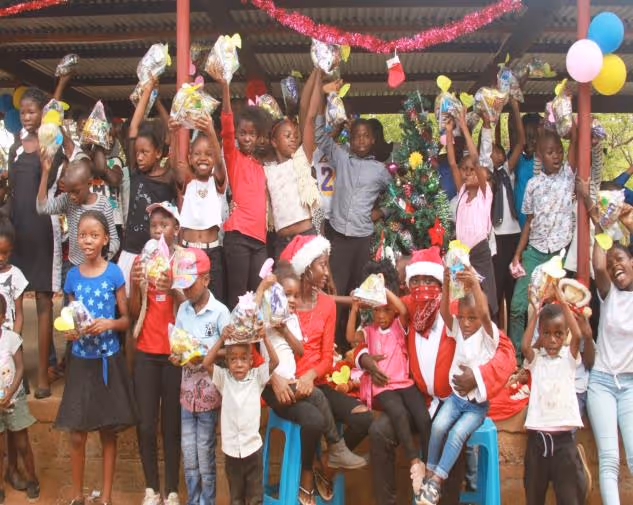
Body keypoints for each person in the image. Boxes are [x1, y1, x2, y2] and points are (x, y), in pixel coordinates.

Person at [357, 247, 517, 505]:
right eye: (416, 281)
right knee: (379, 432)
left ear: (441, 283)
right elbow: (369, 329)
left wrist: (477, 376)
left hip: (452, 399)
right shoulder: (408, 307)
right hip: (415, 400)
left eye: (429, 280)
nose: (422, 287)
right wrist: (364, 357)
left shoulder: (460, 311)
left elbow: (505, 349)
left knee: (449, 435)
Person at [269, 235, 372, 505]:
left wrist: (311, 375)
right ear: (306, 268)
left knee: (364, 419)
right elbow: (259, 343)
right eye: (322, 265)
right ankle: (306, 475)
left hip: (316, 383)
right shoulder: (282, 300)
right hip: (283, 384)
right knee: (313, 419)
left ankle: (325, 466)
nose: (327, 272)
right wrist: (274, 378)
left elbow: (327, 358)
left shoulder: (327, 304)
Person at [55, 210, 136, 505]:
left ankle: (106, 497)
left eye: (93, 235)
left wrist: (108, 324)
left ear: (105, 239)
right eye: (82, 235)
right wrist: (71, 332)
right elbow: (70, 318)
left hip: (108, 361)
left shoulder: (114, 273)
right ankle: (77, 495)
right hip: (80, 362)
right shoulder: (72, 276)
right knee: (77, 433)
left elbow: (126, 320)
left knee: (107, 430)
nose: (87, 240)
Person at [6, 81, 72, 398]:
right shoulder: (15, 149)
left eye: (32, 112)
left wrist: (61, 86)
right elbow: (12, 192)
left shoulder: (51, 145)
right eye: (23, 112)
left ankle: (43, 377)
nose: (27, 117)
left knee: (45, 300)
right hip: (17, 232)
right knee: (14, 301)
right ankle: (15, 372)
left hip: (43, 230)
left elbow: (65, 164)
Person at [315, 91, 391, 351]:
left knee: (359, 292)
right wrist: (327, 110)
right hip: (338, 236)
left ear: (372, 140)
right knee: (335, 292)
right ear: (351, 137)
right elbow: (320, 138)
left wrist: (381, 212)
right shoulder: (341, 157)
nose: (360, 140)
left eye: (365, 136)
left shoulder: (380, 170)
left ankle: (356, 347)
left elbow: (398, 197)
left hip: (362, 239)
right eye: (356, 135)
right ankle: (333, 346)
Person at [418, 266, 499, 505]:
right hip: (455, 399)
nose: (465, 323)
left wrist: (474, 284)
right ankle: (430, 473)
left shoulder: (488, 336)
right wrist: (445, 285)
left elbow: (484, 314)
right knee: (438, 427)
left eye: (471, 318)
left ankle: (437, 481)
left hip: (476, 406)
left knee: (456, 434)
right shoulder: (459, 331)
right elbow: (445, 314)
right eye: (462, 317)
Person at [347, 286, 429, 496]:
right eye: (377, 310)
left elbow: (403, 309)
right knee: (398, 412)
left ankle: (429, 466)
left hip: (404, 383)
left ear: (392, 311)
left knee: (423, 417)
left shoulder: (398, 326)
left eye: (386, 310)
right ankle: (414, 461)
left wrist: (382, 289)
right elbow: (350, 337)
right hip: (383, 387)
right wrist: (354, 308)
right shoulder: (369, 331)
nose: (381, 315)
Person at [579, 183, 633, 504]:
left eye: (621, 259)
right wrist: (601, 224)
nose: (615, 265)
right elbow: (598, 264)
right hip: (601, 383)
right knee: (609, 459)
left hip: (630, 386)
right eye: (613, 264)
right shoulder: (608, 293)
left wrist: (626, 221)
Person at [128, 202, 182, 505]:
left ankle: (172, 490)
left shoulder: (184, 260)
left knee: (171, 426)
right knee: (146, 424)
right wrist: (138, 284)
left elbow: (190, 307)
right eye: (154, 226)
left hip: (174, 355)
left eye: (165, 225)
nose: (158, 231)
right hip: (146, 352)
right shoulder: (141, 261)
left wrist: (172, 286)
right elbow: (133, 311)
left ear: (176, 229)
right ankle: (151, 488)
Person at [509, 125, 577, 357]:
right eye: (550, 152)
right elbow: (529, 222)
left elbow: (575, 143)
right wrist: (518, 254)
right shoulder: (533, 185)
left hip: (560, 254)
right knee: (518, 306)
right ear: (540, 155)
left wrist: (570, 125)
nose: (556, 156)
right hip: (535, 252)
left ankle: (556, 356)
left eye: (559, 151)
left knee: (559, 307)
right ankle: (518, 358)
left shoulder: (568, 176)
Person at [172, 247, 230, 505]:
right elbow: (177, 345)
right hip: (187, 396)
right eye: (183, 285)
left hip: (209, 395)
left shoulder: (220, 312)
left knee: (205, 453)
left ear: (206, 279)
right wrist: (177, 356)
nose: (185, 290)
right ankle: (193, 500)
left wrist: (207, 356)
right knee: (189, 454)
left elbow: (232, 351)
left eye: (190, 284)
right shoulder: (183, 310)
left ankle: (207, 501)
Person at [204, 320, 277, 505]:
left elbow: (275, 362)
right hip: (231, 451)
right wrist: (222, 338)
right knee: (236, 498)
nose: (238, 364)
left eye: (244, 359)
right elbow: (206, 362)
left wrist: (264, 338)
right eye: (233, 359)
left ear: (251, 361)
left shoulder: (257, 377)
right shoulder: (224, 379)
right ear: (227, 362)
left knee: (255, 498)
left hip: (253, 449)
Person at [521, 294, 584, 505]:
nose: (552, 340)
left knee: (568, 498)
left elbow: (578, 335)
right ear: (540, 334)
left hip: (564, 444)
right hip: (537, 442)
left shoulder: (569, 358)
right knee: (534, 497)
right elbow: (525, 346)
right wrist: (536, 311)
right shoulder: (536, 360)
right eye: (546, 333)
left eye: (558, 334)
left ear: (565, 335)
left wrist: (563, 303)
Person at [217, 77, 271, 309]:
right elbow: (227, 125)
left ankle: (253, 335)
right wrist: (225, 86)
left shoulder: (262, 165)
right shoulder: (233, 156)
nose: (247, 138)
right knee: (238, 296)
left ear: (259, 137)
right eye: (243, 133)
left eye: (252, 134)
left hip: (260, 240)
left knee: (257, 296)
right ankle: (233, 334)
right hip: (238, 235)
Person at [118, 79, 177, 294]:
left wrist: (158, 102)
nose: (140, 157)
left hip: (158, 255)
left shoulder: (168, 177)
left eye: (145, 152)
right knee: (128, 304)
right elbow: (134, 127)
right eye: (137, 153)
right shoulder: (136, 172)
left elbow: (173, 135)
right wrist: (147, 90)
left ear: (158, 153)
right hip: (131, 251)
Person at [264, 68, 322, 258]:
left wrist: (317, 72)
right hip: (282, 242)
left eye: (295, 136)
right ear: (274, 141)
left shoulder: (302, 158)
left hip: (307, 236)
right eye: (287, 135)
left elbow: (308, 114)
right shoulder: (266, 170)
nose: (293, 139)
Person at [446, 112, 497, 319]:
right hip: (460, 254)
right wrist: (449, 132)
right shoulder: (462, 192)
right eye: (465, 170)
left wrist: (464, 127)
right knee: (461, 299)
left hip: (479, 252)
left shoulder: (485, 194)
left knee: (485, 300)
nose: (468, 173)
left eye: (473, 170)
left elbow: (476, 160)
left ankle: (490, 332)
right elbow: (452, 163)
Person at [171, 114, 227, 302]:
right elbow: (175, 166)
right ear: (189, 157)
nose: (203, 158)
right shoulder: (187, 181)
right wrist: (174, 134)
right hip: (187, 251)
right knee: (186, 300)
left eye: (208, 154)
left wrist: (211, 130)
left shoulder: (217, 180)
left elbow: (220, 163)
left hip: (212, 252)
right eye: (197, 154)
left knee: (215, 299)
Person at [479, 100, 524, 326]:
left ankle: (513, 337)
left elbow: (521, 142)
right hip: (496, 238)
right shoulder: (487, 175)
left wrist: (514, 108)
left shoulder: (507, 171)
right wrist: (487, 123)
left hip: (514, 236)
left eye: (499, 149)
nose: (497, 152)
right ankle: (495, 335)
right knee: (495, 291)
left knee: (513, 289)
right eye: (493, 150)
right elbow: (485, 150)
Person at [36, 157, 120, 266]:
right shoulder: (67, 201)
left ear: (89, 183)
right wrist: (45, 173)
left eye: (76, 192)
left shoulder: (103, 204)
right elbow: (42, 208)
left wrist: (102, 259)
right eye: (69, 192)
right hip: (74, 266)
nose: (72, 196)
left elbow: (114, 240)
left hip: (97, 267)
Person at [0, 293, 39, 503]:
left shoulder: (11, 339)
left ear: (2, 317)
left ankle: (32, 479)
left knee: (22, 443)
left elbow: (21, 368)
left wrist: (10, 393)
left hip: (15, 398)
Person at [510, 113, 541, 228]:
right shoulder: (518, 158)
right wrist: (515, 110)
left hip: (538, 213)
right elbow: (519, 140)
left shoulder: (542, 159)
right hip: (520, 214)